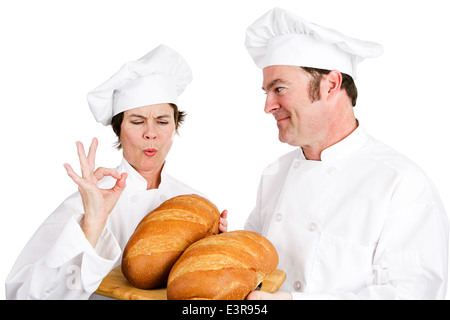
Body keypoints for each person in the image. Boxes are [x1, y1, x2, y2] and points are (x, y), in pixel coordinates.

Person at [244, 7, 448, 300]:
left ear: (331, 85)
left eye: (279, 89)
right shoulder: (274, 174)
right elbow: (251, 268)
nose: (268, 106)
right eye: (266, 92)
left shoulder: (401, 184)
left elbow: (415, 293)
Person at [6, 44, 227, 299]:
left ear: (175, 126)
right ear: (117, 129)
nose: (151, 133)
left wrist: (212, 251)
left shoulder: (194, 202)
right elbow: (20, 294)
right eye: (137, 121)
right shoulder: (85, 204)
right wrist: (92, 224)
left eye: (163, 121)